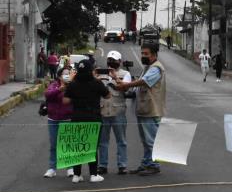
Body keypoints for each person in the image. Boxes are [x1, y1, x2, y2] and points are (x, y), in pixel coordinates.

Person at [115, 43, 166, 176]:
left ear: (154, 54)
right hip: (143, 109)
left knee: (150, 140)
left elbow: (144, 81)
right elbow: (139, 83)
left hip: (151, 109)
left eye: (146, 54)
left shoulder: (156, 68)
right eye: (142, 53)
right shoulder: (148, 67)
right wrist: (130, 87)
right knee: (145, 140)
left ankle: (154, 165)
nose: (143, 56)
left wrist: (127, 84)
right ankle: (146, 163)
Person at [63, 59, 111, 183]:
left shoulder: (73, 84)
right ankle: (93, 174)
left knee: (78, 146)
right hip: (93, 117)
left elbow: (65, 101)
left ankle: (76, 175)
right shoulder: (96, 82)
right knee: (92, 146)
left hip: (77, 117)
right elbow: (108, 95)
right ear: (91, 70)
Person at [97, 51, 131, 175]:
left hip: (118, 111)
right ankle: (102, 165)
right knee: (103, 141)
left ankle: (122, 165)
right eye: (109, 60)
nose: (111, 62)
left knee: (121, 140)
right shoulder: (101, 75)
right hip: (103, 111)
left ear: (119, 62)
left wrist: (115, 76)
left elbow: (126, 88)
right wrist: (96, 76)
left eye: (114, 60)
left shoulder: (125, 74)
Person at [43, 67, 74, 178]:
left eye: (68, 74)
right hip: (53, 119)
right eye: (64, 74)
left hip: (67, 118)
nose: (66, 75)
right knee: (54, 144)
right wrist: (59, 89)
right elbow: (47, 94)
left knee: (68, 144)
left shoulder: (72, 86)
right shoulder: (54, 85)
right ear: (59, 76)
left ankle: (70, 167)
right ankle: (52, 168)